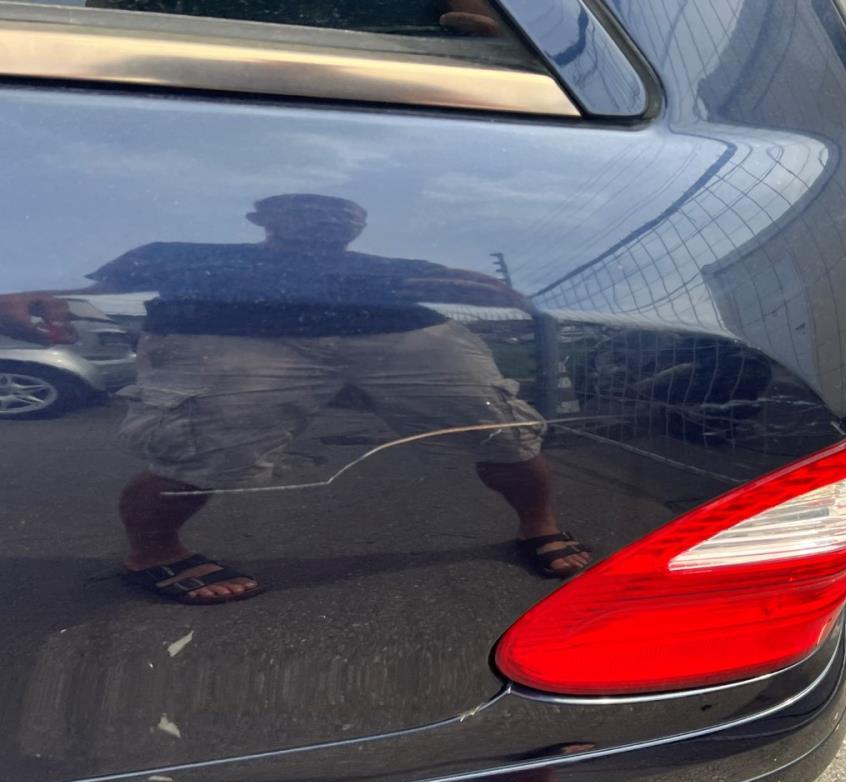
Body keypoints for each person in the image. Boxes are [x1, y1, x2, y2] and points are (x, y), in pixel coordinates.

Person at [0, 194, 590, 602]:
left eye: (342, 213)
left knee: (501, 430)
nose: (326, 219)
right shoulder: (182, 253)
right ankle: (154, 553)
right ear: (262, 218)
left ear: (358, 227)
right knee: (203, 450)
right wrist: (28, 291)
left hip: (399, 332)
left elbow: (487, 291)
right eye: (304, 209)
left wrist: (499, 292)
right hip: (230, 333)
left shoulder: (398, 266)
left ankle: (538, 524)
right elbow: (89, 284)